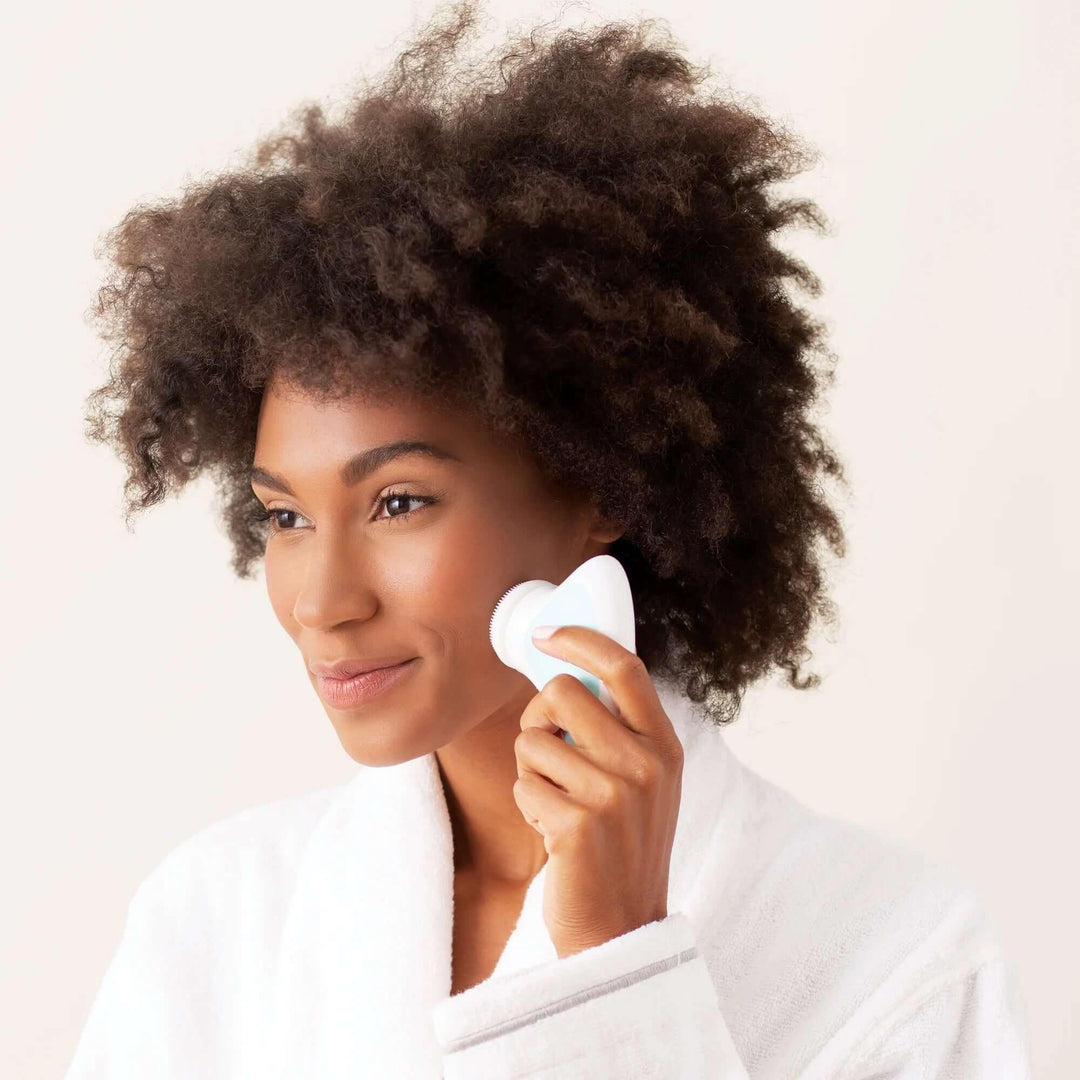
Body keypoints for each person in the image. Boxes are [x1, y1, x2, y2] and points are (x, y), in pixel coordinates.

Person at [68, 2, 1032, 1075]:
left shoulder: (896, 955)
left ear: (599, 486)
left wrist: (619, 970)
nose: (321, 601)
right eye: (285, 516)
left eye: (397, 503)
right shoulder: (216, 923)